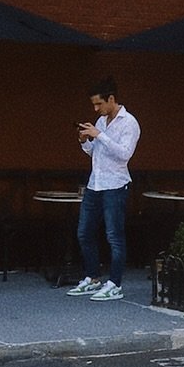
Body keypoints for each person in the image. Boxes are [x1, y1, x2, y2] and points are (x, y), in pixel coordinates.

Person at [69, 80, 140, 300]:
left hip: (116, 185)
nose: (96, 109)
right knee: (84, 232)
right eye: (93, 104)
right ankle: (92, 277)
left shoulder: (129, 123)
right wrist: (84, 141)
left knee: (114, 236)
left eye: (99, 103)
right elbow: (97, 154)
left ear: (111, 99)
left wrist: (99, 135)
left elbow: (124, 154)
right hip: (95, 184)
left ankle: (115, 284)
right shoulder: (101, 121)